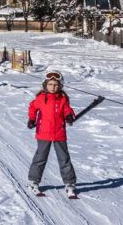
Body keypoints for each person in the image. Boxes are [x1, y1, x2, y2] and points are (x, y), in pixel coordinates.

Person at [27, 70, 78, 198]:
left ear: (60, 86)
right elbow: (32, 107)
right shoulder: (40, 98)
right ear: (45, 85)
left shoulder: (63, 99)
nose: (53, 87)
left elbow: (67, 110)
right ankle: (34, 181)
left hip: (59, 133)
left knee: (64, 159)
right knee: (40, 158)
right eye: (50, 84)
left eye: (55, 84)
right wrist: (32, 119)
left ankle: (70, 183)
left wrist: (69, 116)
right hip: (43, 133)